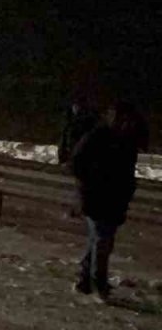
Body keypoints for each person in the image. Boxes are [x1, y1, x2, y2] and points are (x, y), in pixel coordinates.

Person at [70, 101, 142, 301]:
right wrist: (92, 184)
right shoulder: (99, 136)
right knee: (103, 241)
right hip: (97, 197)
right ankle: (98, 285)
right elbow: (77, 162)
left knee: (98, 240)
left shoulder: (126, 141)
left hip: (113, 199)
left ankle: (85, 280)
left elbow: (127, 172)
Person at [58, 97, 100, 165]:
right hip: (69, 137)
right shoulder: (69, 114)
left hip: (76, 137)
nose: (76, 108)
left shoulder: (85, 116)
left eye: (78, 106)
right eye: (75, 106)